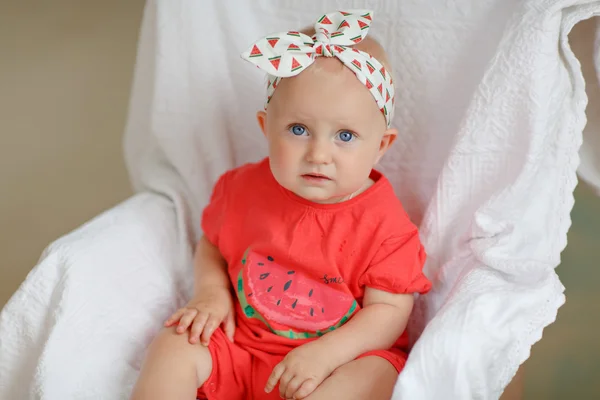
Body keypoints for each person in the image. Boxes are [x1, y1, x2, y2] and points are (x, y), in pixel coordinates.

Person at [131, 10, 431, 400]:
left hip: (334, 364)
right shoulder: (241, 189)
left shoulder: (386, 226)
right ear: (266, 127)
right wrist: (211, 293)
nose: (319, 154)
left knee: (377, 374)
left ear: (381, 146)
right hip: (241, 348)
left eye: (345, 135)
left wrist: (325, 354)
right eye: (298, 130)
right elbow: (213, 244)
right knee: (176, 342)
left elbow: (389, 312)